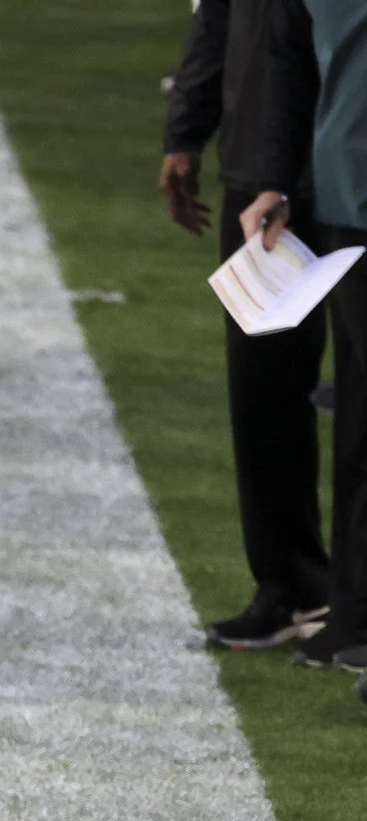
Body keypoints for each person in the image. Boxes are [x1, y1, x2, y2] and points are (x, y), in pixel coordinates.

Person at [162, 0, 330, 650]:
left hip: (339, 174)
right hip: (259, 179)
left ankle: (347, 600)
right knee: (261, 394)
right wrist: (185, 132)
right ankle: (293, 585)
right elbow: (218, 20)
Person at [241, 0, 367, 671]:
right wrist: (276, 179)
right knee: (356, 420)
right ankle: (353, 617)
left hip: (343, 182)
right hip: (345, 191)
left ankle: (353, 618)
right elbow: (290, 58)